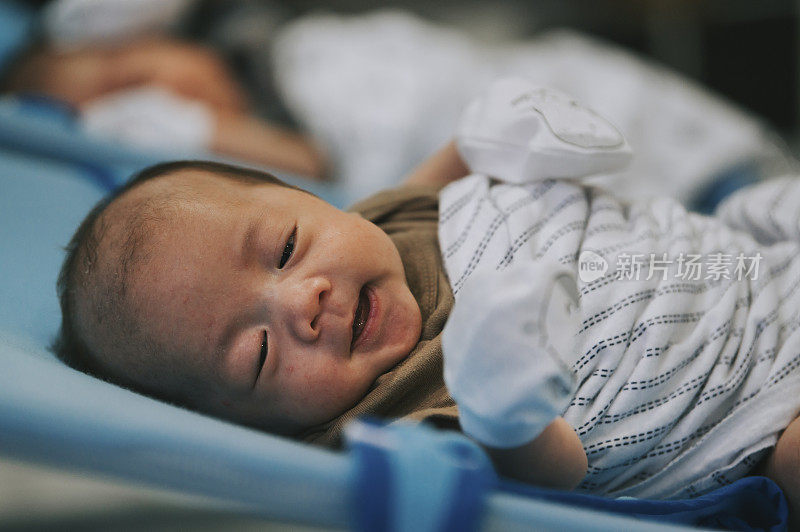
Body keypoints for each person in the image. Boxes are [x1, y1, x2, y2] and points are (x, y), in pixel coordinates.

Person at [52, 79, 800, 521]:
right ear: (255, 423)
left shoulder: (384, 220)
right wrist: (504, 412)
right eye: (258, 352)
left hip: (746, 259)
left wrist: (499, 132)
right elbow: (557, 470)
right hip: (753, 407)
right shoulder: (383, 415)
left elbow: (453, 161)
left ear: (316, 202)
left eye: (284, 249)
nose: (301, 302)